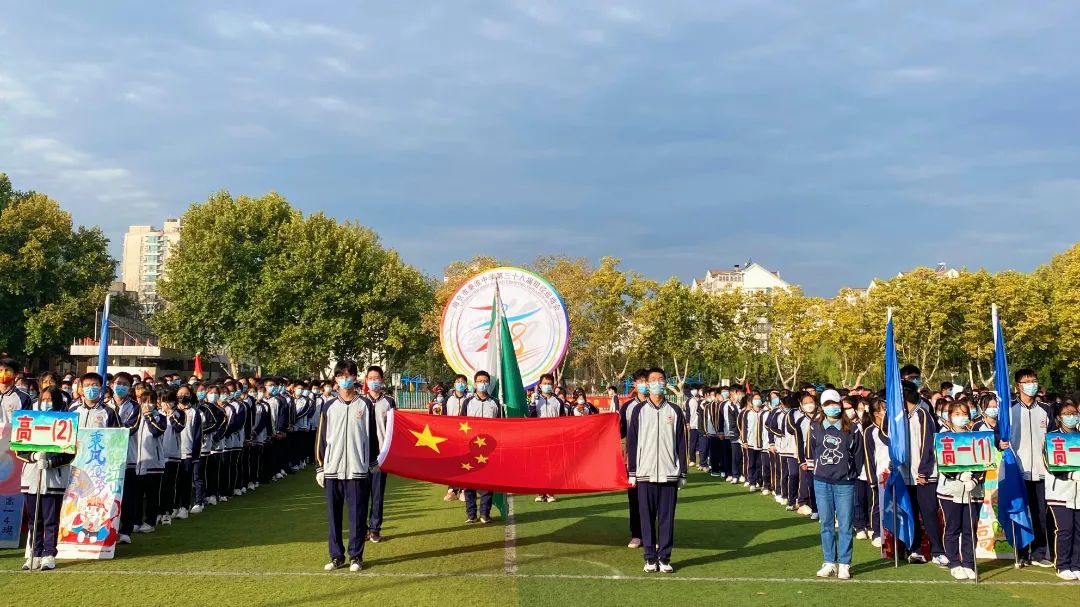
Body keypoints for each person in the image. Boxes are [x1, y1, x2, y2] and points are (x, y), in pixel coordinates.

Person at [315, 360, 378, 572]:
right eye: (341, 375)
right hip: (333, 469)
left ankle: (356, 556)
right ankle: (336, 556)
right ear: (336, 379)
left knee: (358, 515)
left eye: (349, 375)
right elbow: (321, 439)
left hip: (357, 470)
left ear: (355, 377)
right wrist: (320, 467)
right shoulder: (328, 406)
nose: (346, 379)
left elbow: (372, 438)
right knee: (333, 516)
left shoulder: (365, 405)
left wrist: (371, 462)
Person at [626, 367, 687, 574]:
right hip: (645, 473)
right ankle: (650, 557)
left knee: (667, 519)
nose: (657, 383)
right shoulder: (639, 410)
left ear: (666, 383)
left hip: (669, 474)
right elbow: (632, 442)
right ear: (647, 383)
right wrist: (632, 472)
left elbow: (681, 443)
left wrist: (683, 472)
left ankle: (665, 558)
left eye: (661, 379)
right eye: (653, 380)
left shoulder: (675, 411)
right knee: (646, 518)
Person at [1000, 368, 1056, 567]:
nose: (1031, 384)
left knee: (1041, 513)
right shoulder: (1009, 409)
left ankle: (1040, 552)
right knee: (1020, 512)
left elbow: (1052, 438)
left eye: (1033, 380)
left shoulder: (1046, 409)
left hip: (1041, 471)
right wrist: (1000, 442)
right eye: (1026, 381)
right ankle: (1021, 552)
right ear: (1018, 385)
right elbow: (998, 435)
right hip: (1018, 471)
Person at [16, 386, 75, 571]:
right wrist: (32, 456)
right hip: (32, 476)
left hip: (53, 477)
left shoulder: (65, 423)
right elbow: (19, 447)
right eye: (44, 399)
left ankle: (49, 554)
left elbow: (69, 452)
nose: (46, 403)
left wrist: (51, 463)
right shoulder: (29, 420)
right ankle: (34, 553)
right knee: (34, 519)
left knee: (50, 519)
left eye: (50, 399)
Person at [809, 390, 862, 580]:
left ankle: (844, 564)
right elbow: (812, 450)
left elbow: (858, 455)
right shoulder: (815, 426)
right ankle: (829, 562)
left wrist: (851, 474)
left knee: (846, 525)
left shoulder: (852, 428)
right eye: (828, 404)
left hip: (845, 483)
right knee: (826, 523)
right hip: (822, 482)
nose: (833, 407)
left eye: (835, 403)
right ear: (822, 407)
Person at [900, 380, 947, 566]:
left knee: (928, 512)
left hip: (923, 475)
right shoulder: (898, 417)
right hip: (904, 474)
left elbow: (928, 445)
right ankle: (914, 549)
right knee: (910, 513)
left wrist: (923, 471)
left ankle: (937, 550)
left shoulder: (922, 415)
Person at [937, 401, 984, 581]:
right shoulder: (945, 437)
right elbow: (942, 463)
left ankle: (969, 562)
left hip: (973, 490)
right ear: (950, 417)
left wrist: (974, 478)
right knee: (952, 527)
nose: (961, 416)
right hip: (950, 490)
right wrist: (958, 476)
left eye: (964, 413)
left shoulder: (976, 437)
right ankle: (954, 562)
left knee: (969, 528)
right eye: (956, 413)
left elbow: (983, 462)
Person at [1045, 402, 1080, 580]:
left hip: (1079, 492)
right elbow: (1050, 464)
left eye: (1074, 412)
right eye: (1066, 413)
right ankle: (1062, 564)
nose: (1071, 416)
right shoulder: (1052, 438)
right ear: (1058, 418)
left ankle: (1077, 564)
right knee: (1065, 528)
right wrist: (1070, 473)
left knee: (1078, 528)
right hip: (1059, 491)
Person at [462, 370, 501, 523]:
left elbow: (500, 426)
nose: (482, 383)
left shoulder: (495, 403)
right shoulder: (468, 402)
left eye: (485, 381)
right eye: (480, 381)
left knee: (487, 481)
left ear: (489, 383)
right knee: (469, 481)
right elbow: (461, 424)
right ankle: (471, 515)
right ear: (475, 383)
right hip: (470, 447)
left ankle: (485, 513)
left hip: (490, 448)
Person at [363, 365, 395, 543]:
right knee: (360, 495)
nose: (374, 381)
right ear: (366, 380)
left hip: (381, 456)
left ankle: (374, 528)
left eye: (377, 378)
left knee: (377, 494)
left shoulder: (389, 402)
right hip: (361, 455)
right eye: (370, 378)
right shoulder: (359, 400)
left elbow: (394, 428)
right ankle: (362, 529)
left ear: (382, 380)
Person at [620, 369, 649, 547]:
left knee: (652, 498)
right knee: (635, 497)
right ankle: (637, 534)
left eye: (646, 381)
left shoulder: (660, 405)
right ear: (634, 385)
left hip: (654, 458)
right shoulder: (627, 407)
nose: (643, 384)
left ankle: (650, 534)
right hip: (633, 460)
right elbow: (619, 431)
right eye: (640, 381)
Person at [531, 373, 568, 503]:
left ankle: (551, 492)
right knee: (540, 466)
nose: (547, 386)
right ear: (540, 385)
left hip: (554, 438)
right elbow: (530, 417)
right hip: (539, 438)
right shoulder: (535, 400)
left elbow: (563, 420)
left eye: (549, 384)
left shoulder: (558, 401)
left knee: (552, 466)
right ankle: (541, 493)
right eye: (544, 384)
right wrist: (532, 403)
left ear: (553, 386)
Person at [863, 399, 890, 548]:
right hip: (880, 473)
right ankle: (877, 532)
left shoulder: (894, 428)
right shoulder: (870, 431)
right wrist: (871, 478)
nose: (887, 411)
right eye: (884, 409)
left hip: (897, 473)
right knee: (878, 504)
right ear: (876, 413)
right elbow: (868, 456)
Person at [176, 385, 202, 519]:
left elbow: (197, 435)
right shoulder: (172, 410)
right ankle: (174, 507)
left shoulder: (194, 412)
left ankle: (184, 507)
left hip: (187, 452)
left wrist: (195, 454)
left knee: (186, 481)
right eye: (180, 393)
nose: (182, 396)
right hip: (173, 452)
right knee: (175, 482)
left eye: (185, 394)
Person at [794, 392, 819, 519]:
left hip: (821, 458)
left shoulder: (822, 418)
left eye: (811, 402)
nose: (809, 405)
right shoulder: (799, 421)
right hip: (808, 458)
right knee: (812, 485)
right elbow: (798, 442)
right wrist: (801, 460)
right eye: (806, 403)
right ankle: (815, 509)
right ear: (801, 405)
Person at [0, 358, 31, 426]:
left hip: (12, 435)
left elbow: (26, 422)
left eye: (7, 370)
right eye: (0, 370)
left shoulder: (24, 398)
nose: (3, 373)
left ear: (15, 374)